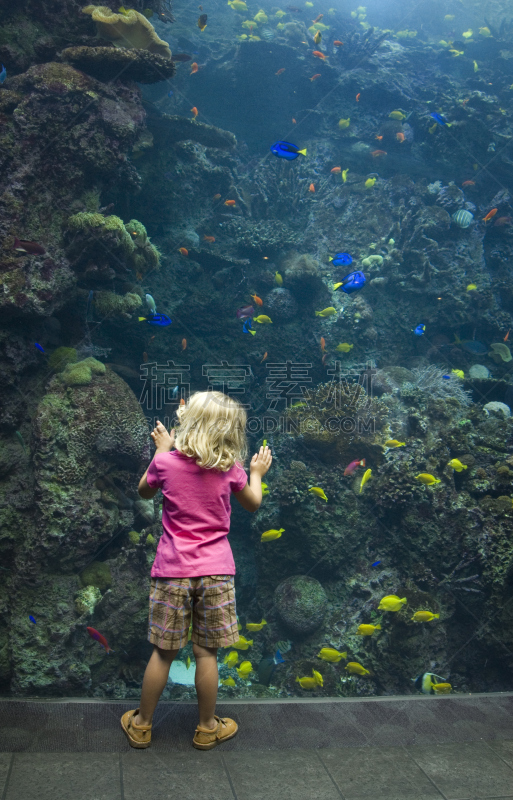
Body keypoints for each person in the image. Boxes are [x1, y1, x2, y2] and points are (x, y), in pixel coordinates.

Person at [121, 391, 272, 750]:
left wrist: (162, 450)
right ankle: (206, 727)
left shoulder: (167, 463)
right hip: (217, 573)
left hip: (172, 571)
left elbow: (143, 492)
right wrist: (256, 472)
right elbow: (252, 504)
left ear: (188, 425)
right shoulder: (229, 469)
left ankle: (142, 725)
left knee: (163, 652)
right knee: (206, 653)